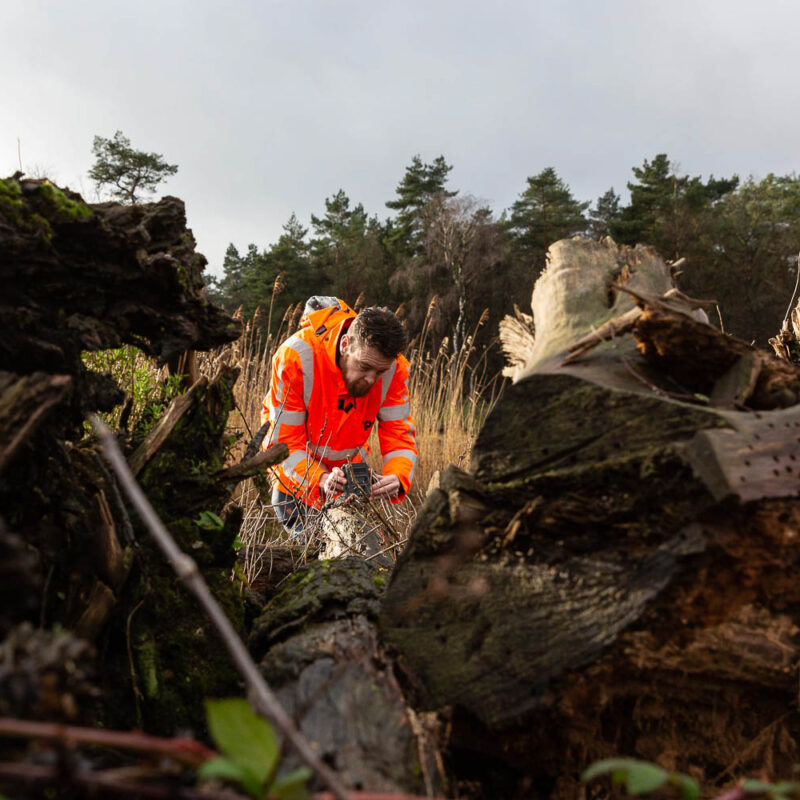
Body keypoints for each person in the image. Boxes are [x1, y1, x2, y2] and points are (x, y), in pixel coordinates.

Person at [261, 296, 417, 535]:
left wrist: (398, 475)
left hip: (351, 485)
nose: (372, 380)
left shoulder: (395, 369)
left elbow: (400, 437)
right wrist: (321, 479)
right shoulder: (296, 357)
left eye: (380, 371)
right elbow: (282, 445)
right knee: (312, 561)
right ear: (345, 344)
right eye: (364, 367)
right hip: (295, 484)